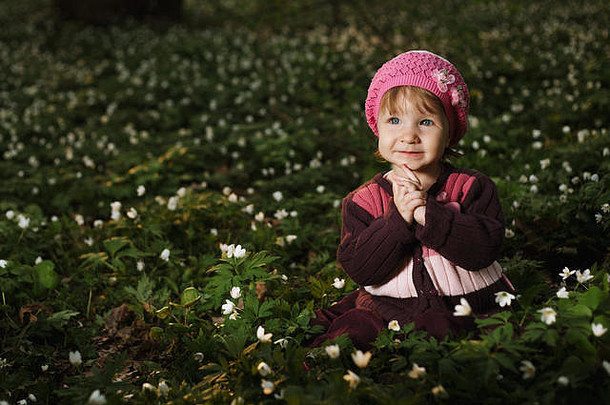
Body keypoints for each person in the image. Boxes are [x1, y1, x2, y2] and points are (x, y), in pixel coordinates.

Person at [310, 50, 515, 350]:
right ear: (378, 127)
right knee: (352, 329)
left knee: (445, 328)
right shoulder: (363, 201)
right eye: (394, 120)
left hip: (467, 304)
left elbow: (482, 250)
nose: (409, 136)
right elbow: (362, 269)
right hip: (389, 308)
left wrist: (426, 214)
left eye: (426, 123)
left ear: (450, 133)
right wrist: (397, 220)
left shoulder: (471, 188)